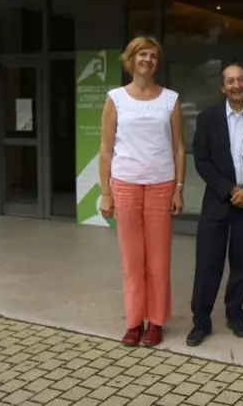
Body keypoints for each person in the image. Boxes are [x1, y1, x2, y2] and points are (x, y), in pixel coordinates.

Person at [99, 36, 186, 347]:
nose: (147, 60)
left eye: (152, 55)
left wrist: (178, 187)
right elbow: (106, 149)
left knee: (158, 260)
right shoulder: (115, 99)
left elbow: (178, 147)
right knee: (132, 260)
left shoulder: (170, 100)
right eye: (142, 55)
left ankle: (157, 322)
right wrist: (105, 193)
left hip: (162, 186)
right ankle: (135, 321)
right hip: (124, 185)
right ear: (131, 60)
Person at [186, 63, 243, 346]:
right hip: (217, 203)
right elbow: (201, 160)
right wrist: (229, 189)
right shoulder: (207, 118)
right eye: (230, 81)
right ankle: (201, 321)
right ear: (222, 87)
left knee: (242, 264)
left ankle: (235, 314)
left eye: (240, 80)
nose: (236, 85)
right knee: (207, 266)